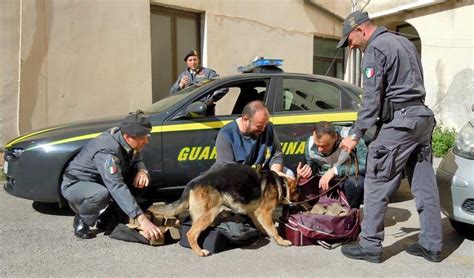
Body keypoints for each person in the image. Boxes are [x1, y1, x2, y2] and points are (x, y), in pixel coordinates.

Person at [337, 11, 442, 263]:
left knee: (375, 182)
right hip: (422, 118)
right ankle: (432, 245)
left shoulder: (375, 49)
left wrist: (355, 133)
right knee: (424, 184)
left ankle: (370, 246)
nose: (350, 46)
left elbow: (371, 99)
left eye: (349, 40)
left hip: (399, 123)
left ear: (361, 30)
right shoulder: (404, 41)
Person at [61, 112, 163, 241]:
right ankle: (83, 219)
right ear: (127, 137)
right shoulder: (107, 150)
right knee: (100, 194)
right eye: (142, 138)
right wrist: (141, 219)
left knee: (142, 181)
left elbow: (137, 158)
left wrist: (142, 171)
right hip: (77, 183)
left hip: (102, 181)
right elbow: (116, 185)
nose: (146, 141)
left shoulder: (126, 139)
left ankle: (107, 218)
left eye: (147, 136)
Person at [298, 121, 366, 209]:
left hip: (345, 179)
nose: (319, 149)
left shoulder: (352, 138)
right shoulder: (310, 142)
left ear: (335, 137)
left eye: (324, 146)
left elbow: (364, 166)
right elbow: (310, 169)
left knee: (356, 184)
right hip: (323, 181)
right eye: (317, 145)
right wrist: (303, 174)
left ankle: (351, 213)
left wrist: (335, 171)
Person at [213, 100, 290, 176]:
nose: (263, 130)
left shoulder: (268, 128)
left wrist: (276, 173)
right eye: (259, 126)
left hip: (262, 174)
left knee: (289, 174)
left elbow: (276, 154)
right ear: (246, 120)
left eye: (265, 125)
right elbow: (228, 171)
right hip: (239, 179)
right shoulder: (226, 135)